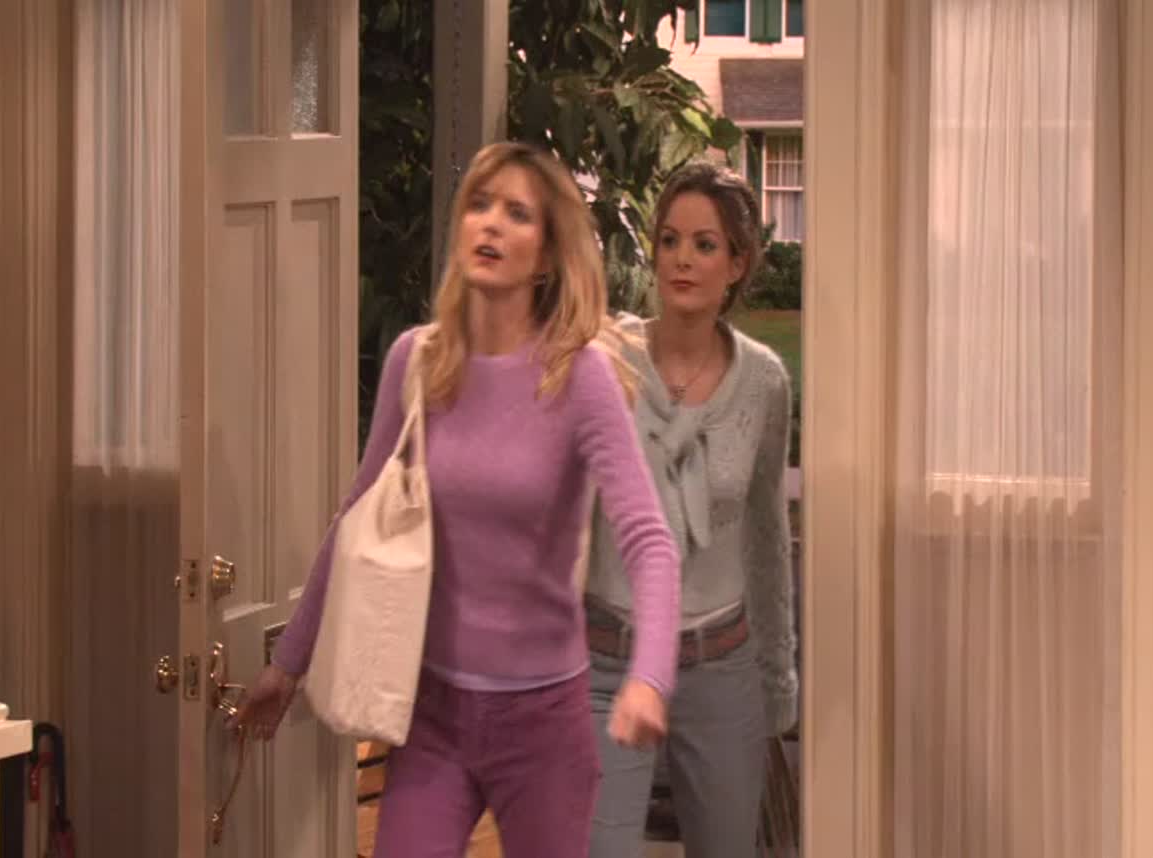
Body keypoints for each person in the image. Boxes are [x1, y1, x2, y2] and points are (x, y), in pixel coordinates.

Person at [234, 141, 681, 858]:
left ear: (547, 254)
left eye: (517, 213)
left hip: (544, 722)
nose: (491, 223)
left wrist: (650, 677)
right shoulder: (419, 361)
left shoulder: (579, 377)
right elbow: (355, 520)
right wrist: (288, 663)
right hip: (434, 714)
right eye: (479, 205)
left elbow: (648, 541)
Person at [584, 161, 799, 858]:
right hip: (608, 658)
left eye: (705, 245)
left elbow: (766, 536)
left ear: (736, 264)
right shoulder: (605, 360)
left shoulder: (764, 382)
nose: (682, 258)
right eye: (670, 240)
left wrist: (778, 677)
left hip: (721, 663)